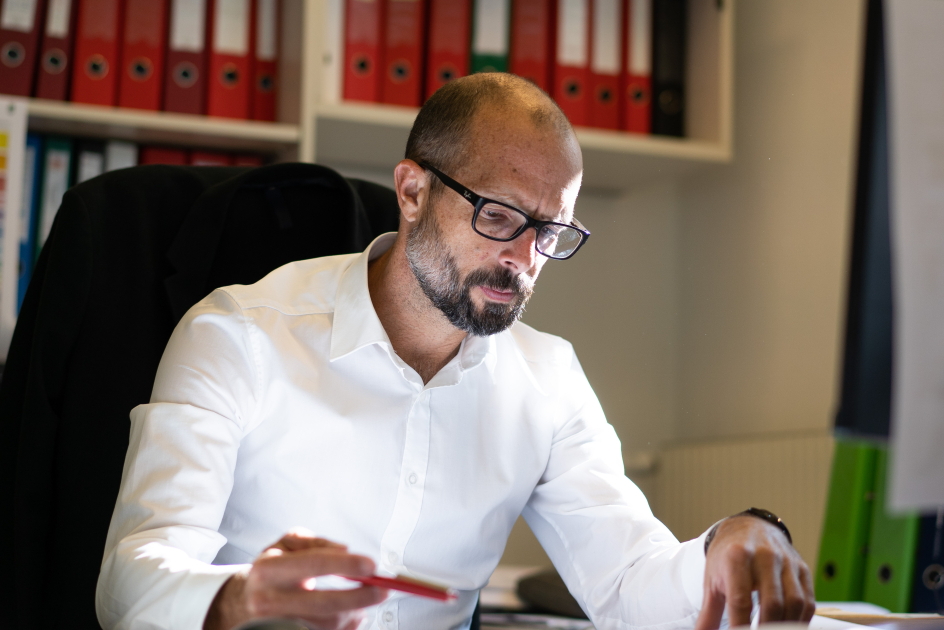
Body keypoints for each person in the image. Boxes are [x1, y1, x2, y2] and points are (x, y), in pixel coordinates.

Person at [96, 73, 815, 630]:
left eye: (550, 232)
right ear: (412, 191)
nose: (523, 260)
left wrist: (730, 541)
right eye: (498, 215)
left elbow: (628, 583)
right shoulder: (239, 335)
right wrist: (238, 599)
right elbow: (131, 580)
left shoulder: (547, 381)